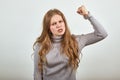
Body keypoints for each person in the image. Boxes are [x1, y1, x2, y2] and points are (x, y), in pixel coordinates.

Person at [33, 5, 108, 80]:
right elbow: (37, 73)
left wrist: (87, 15)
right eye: (54, 24)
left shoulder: (76, 41)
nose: (59, 25)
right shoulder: (41, 45)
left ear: (64, 23)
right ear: (48, 28)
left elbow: (102, 34)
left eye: (60, 21)